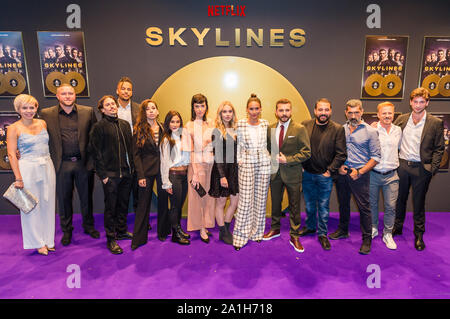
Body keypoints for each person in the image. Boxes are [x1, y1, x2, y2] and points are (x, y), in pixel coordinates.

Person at [40, 84, 99, 246]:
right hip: (61, 165)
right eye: (63, 93)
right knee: (64, 200)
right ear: (57, 96)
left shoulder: (88, 112)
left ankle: (89, 226)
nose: (67, 96)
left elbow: (95, 139)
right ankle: (67, 231)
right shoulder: (46, 114)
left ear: (75, 95)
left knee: (86, 199)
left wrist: (92, 162)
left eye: (70, 93)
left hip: (83, 164)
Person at [393, 88, 444, 251]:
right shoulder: (402, 119)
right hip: (402, 165)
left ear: (427, 103)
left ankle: (419, 234)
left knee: (419, 202)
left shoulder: (435, 122)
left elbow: (439, 148)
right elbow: (391, 138)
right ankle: (397, 226)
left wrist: (432, 169)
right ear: (410, 102)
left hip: (422, 169)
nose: (418, 105)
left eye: (422, 102)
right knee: (399, 199)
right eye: (415, 101)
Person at [329, 99, 381, 255]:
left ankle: (367, 239)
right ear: (346, 113)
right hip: (343, 172)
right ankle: (343, 230)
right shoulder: (340, 130)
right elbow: (335, 152)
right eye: (350, 112)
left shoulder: (370, 132)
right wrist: (339, 167)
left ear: (362, 112)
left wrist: (360, 172)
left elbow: (376, 157)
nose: (353, 115)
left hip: (360, 174)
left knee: (364, 208)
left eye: (356, 112)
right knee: (343, 204)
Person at [7, 94, 56, 255]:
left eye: (32, 107)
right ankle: (37, 242)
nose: (29, 111)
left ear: (36, 108)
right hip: (27, 168)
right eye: (25, 108)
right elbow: (12, 154)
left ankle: (48, 239)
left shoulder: (43, 123)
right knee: (31, 206)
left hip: (47, 166)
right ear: (18, 110)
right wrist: (18, 178)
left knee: (48, 204)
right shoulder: (14, 128)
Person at [263, 98, 311, 253]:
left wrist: (288, 159)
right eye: (281, 110)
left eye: (287, 110)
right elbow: (268, 149)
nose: (284, 113)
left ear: (291, 111)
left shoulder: (299, 129)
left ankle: (295, 235)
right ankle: (275, 229)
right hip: (275, 173)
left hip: (292, 173)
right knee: (275, 203)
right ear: (276, 112)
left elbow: (306, 152)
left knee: (295, 206)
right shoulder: (270, 129)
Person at [300, 98, 347, 250]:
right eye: (320, 110)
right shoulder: (305, 125)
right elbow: (299, 147)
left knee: (323, 207)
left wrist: (330, 170)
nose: (323, 113)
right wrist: (301, 165)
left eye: (326, 110)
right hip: (307, 174)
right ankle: (310, 227)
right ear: (315, 111)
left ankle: (322, 234)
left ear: (331, 111)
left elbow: (341, 154)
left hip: (324, 176)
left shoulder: (337, 129)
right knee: (309, 205)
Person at [89, 95, 134, 254]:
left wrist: (132, 169)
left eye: (113, 104)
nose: (111, 106)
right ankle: (111, 238)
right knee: (111, 207)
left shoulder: (125, 125)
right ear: (101, 109)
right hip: (110, 175)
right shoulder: (98, 127)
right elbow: (95, 153)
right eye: (107, 105)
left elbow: (131, 149)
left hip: (126, 173)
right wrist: (104, 175)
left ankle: (121, 231)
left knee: (123, 204)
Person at [233, 94, 271, 251]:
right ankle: (240, 236)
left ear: (260, 109)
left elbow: (270, 144)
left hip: (264, 162)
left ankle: (256, 233)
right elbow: (238, 145)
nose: (254, 111)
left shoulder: (265, 124)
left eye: (256, 108)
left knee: (261, 199)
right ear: (246, 109)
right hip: (247, 162)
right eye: (251, 109)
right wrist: (239, 160)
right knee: (245, 200)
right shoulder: (240, 124)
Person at [131, 100, 170, 250]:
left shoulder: (162, 128)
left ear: (158, 111)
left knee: (163, 201)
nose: (151, 111)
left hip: (162, 170)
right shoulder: (139, 129)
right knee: (143, 205)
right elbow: (135, 155)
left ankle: (163, 231)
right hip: (145, 172)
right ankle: (139, 238)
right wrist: (140, 176)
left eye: (154, 108)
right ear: (144, 112)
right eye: (148, 109)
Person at [369, 102, 402, 250]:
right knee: (372, 204)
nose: (387, 116)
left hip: (392, 175)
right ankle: (373, 227)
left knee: (391, 206)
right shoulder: (372, 129)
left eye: (390, 113)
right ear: (378, 115)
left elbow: (400, 148)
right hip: (373, 174)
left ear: (393, 114)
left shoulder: (398, 130)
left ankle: (388, 233)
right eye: (384, 113)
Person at [185, 93, 216, 243]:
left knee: (209, 197)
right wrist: (195, 173)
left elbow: (217, 144)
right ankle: (200, 227)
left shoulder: (211, 123)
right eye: (196, 106)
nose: (199, 109)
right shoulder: (188, 125)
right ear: (192, 107)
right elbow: (189, 151)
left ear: (206, 106)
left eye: (202, 105)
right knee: (198, 197)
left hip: (210, 165)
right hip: (196, 166)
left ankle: (207, 224)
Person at [209, 101, 239, 245]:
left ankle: (226, 228)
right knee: (220, 203)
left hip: (234, 170)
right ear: (220, 114)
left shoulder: (236, 130)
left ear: (233, 113)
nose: (227, 114)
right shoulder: (217, 131)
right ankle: (223, 231)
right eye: (224, 112)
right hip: (221, 171)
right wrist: (222, 176)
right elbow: (217, 155)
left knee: (235, 202)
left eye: (230, 111)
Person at [160, 111, 191, 245]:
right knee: (175, 206)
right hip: (173, 176)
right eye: (172, 121)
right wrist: (166, 183)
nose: (175, 124)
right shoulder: (166, 140)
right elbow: (164, 162)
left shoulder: (184, 137)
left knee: (179, 205)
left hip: (184, 175)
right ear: (167, 123)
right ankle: (175, 234)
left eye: (177, 121)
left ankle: (178, 229)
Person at [116, 76, 140, 212]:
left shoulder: (138, 108)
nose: (126, 91)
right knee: (121, 192)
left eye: (129, 89)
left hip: (136, 154)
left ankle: (140, 221)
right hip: (118, 155)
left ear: (132, 92)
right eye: (123, 89)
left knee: (138, 190)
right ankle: (120, 223)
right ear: (117, 91)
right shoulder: (111, 107)